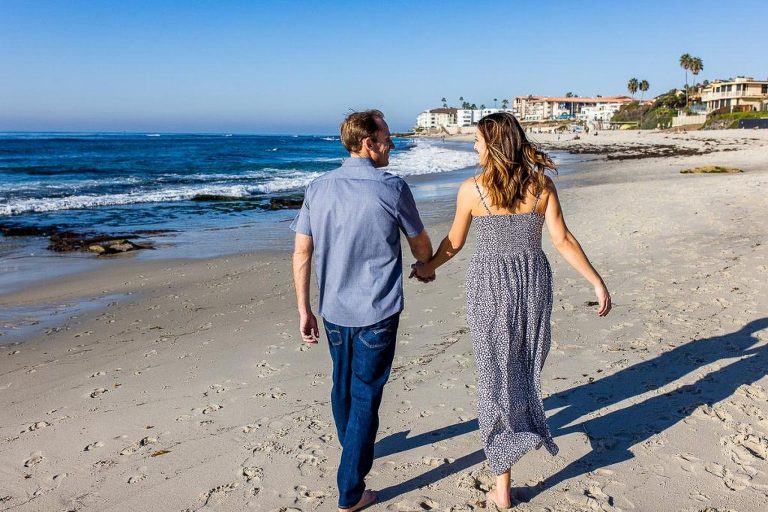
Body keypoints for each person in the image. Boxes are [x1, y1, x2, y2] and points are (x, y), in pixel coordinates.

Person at [411, 112, 611, 509]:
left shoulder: (472, 190)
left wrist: (428, 267)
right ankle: (519, 437)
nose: (474, 147)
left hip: (490, 285)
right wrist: (595, 280)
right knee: (522, 369)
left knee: (494, 376)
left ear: (493, 145)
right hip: (532, 282)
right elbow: (562, 239)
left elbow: (454, 242)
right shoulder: (541, 186)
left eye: (478, 141)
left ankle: (501, 481)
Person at [291, 110, 434, 511]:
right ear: (369, 143)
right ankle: (351, 491)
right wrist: (425, 266)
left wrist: (304, 309)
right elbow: (419, 242)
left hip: (333, 309)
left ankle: (352, 445)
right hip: (377, 310)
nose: (393, 144)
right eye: (387, 138)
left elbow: (302, 252)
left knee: (342, 385)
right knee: (365, 393)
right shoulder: (392, 188)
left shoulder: (318, 187)